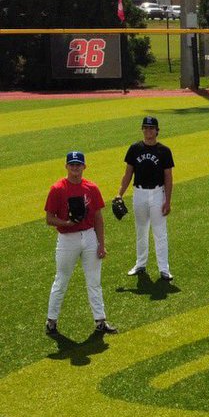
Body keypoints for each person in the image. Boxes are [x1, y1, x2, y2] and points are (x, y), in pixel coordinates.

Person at [45, 151, 117, 337]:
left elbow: (98, 218)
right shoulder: (57, 189)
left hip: (89, 236)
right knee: (61, 280)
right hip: (67, 239)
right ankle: (51, 320)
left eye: (78, 165)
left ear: (84, 166)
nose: (75, 168)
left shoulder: (91, 188)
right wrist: (66, 224)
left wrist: (101, 244)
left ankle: (100, 320)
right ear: (66, 166)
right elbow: (49, 218)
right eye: (72, 165)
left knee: (94, 281)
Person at [118, 115, 174, 281]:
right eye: (145, 128)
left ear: (157, 131)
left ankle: (164, 269)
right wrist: (119, 193)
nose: (148, 131)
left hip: (158, 193)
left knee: (160, 232)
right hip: (139, 193)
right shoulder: (135, 149)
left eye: (151, 128)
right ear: (142, 129)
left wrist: (168, 200)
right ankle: (140, 264)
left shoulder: (164, 151)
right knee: (141, 230)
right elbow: (128, 174)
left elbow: (168, 177)